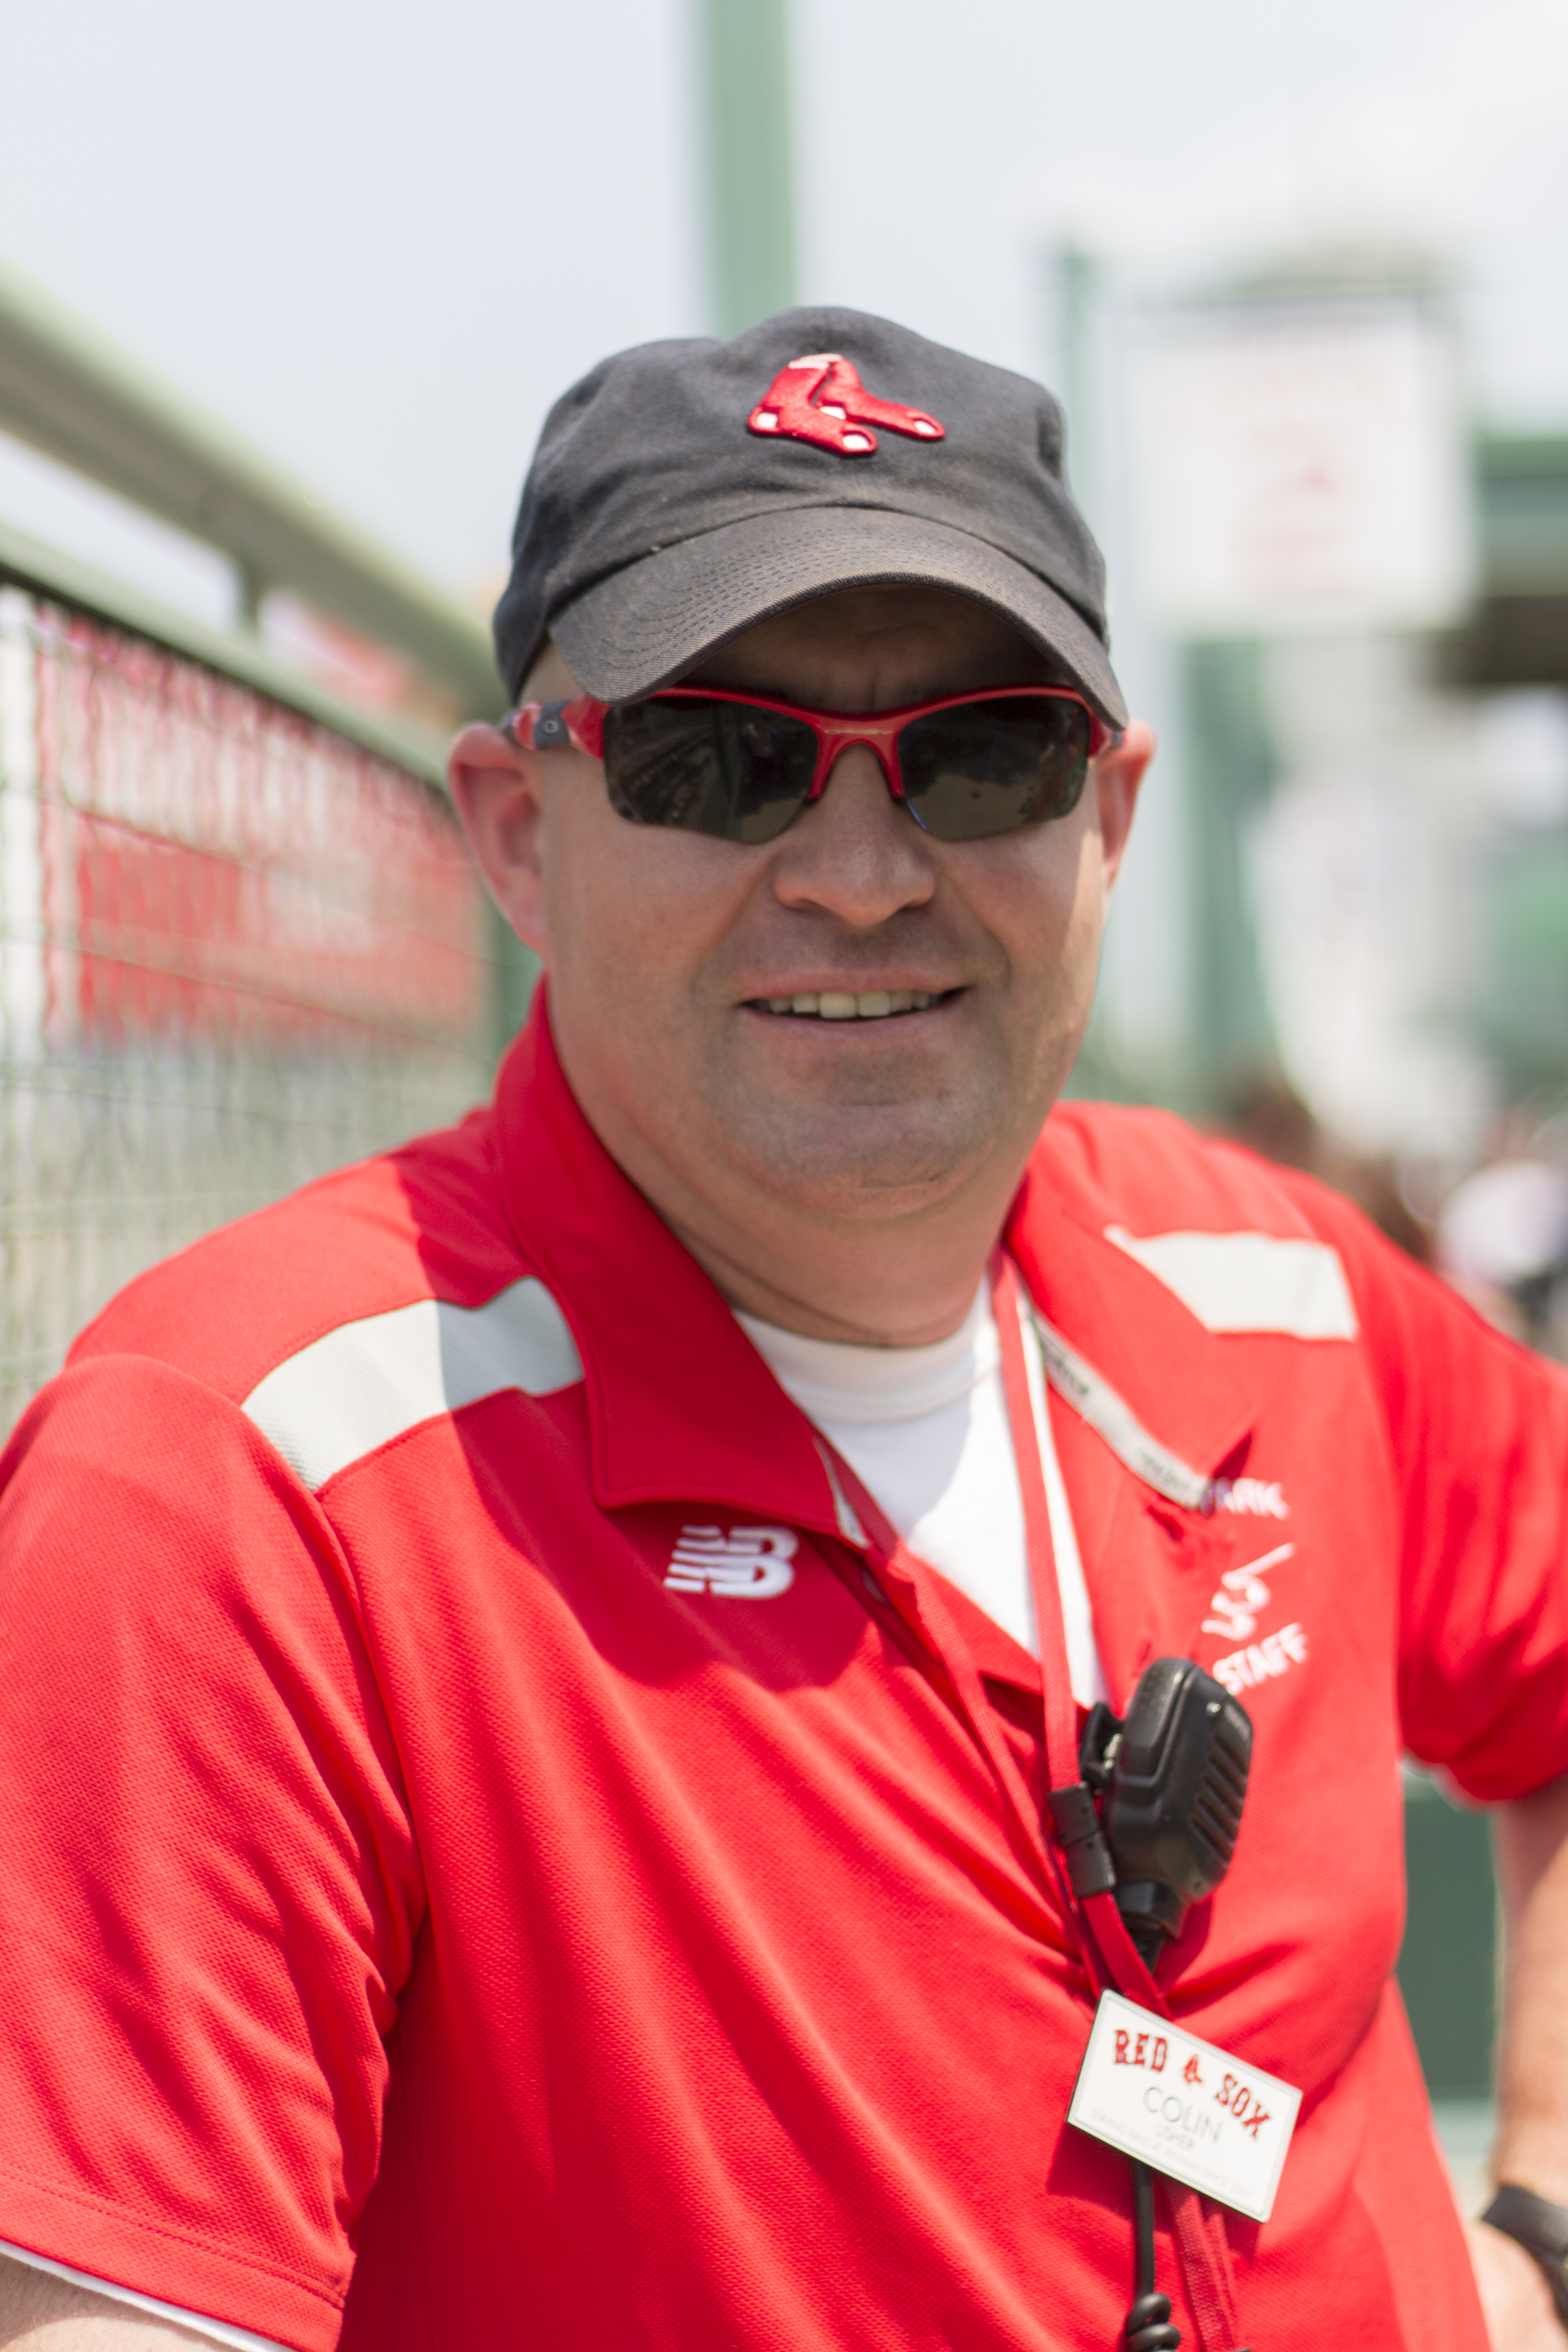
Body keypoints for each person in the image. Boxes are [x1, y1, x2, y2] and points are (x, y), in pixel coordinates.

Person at [1, 309, 1566, 2352]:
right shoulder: (249, 1472)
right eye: (717, 759)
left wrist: (1538, 2234)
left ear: (1105, 816)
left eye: (980, 749)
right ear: (514, 831)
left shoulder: (1280, 1289)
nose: (858, 872)